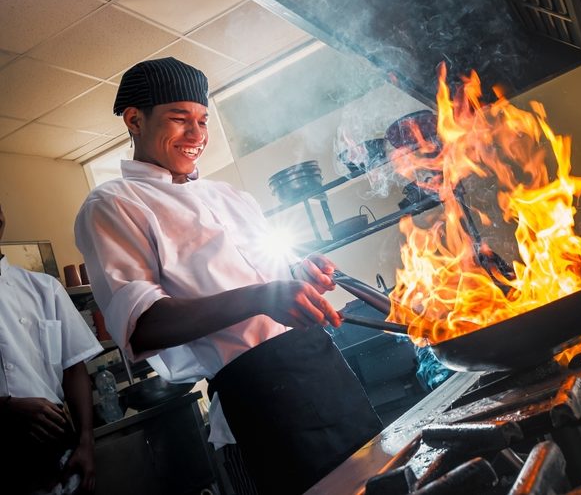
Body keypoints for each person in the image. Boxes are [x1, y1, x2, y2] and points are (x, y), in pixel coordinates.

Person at [74, 57, 383, 495]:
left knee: (388, 483)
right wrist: (261, 297)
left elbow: (262, 279)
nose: (197, 135)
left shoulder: (229, 195)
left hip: (324, 370)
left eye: (202, 120)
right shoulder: (113, 204)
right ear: (134, 120)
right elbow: (142, 326)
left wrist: (298, 273)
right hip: (259, 400)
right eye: (179, 120)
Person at [0, 203, 103, 494]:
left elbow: (74, 368)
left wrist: (86, 442)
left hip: (59, 450)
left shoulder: (45, 288)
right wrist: (9, 408)